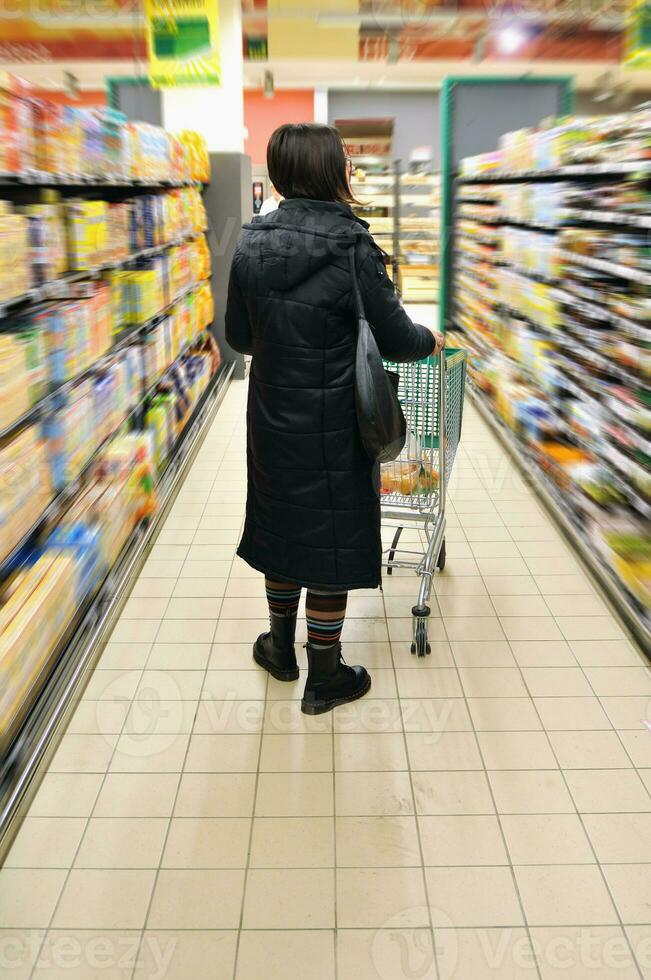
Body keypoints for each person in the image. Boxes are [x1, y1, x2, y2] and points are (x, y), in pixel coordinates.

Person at [225, 122, 444, 716]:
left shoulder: (250, 243)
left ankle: (278, 647)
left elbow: (239, 337)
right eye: (345, 161)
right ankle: (325, 673)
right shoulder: (354, 248)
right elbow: (397, 339)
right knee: (329, 535)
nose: (351, 169)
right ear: (329, 171)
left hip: (272, 416)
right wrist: (432, 340)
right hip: (337, 419)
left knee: (280, 525)